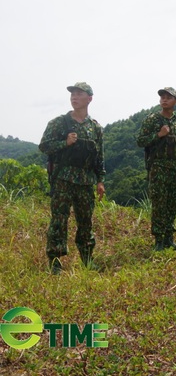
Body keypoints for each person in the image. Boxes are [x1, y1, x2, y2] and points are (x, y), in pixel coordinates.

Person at [39, 82, 105, 274]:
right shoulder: (59, 123)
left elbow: (99, 156)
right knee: (59, 220)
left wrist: (100, 180)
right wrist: (65, 143)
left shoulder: (95, 128)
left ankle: (87, 259)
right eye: (72, 94)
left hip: (85, 180)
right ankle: (55, 262)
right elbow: (44, 146)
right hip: (63, 179)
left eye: (79, 94)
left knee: (86, 221)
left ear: (89, 99)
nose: (74, 97)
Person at [136, 87, 176, 251]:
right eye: (162, 97)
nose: (164, 99)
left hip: (175, 167)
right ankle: (158, 240)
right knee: (159, 203)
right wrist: (159, 135)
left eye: (168, 97)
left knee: (172, 203)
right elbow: (140, 141)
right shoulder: (153, 119)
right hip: (158, 166)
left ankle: (169, 238)